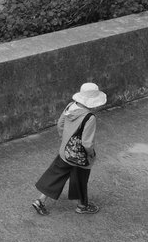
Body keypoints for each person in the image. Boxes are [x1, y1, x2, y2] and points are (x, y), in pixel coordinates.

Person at [31, 82, 107, 215]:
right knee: (80, 179)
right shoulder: (89, 118)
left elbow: (60, 124)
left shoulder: (70, 107)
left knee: (55, 176)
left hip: (65, 152)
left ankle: (40, 200)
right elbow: (87, 143)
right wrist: (91, 155)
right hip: (80, 156)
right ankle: (82, 205)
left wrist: (65, 140)